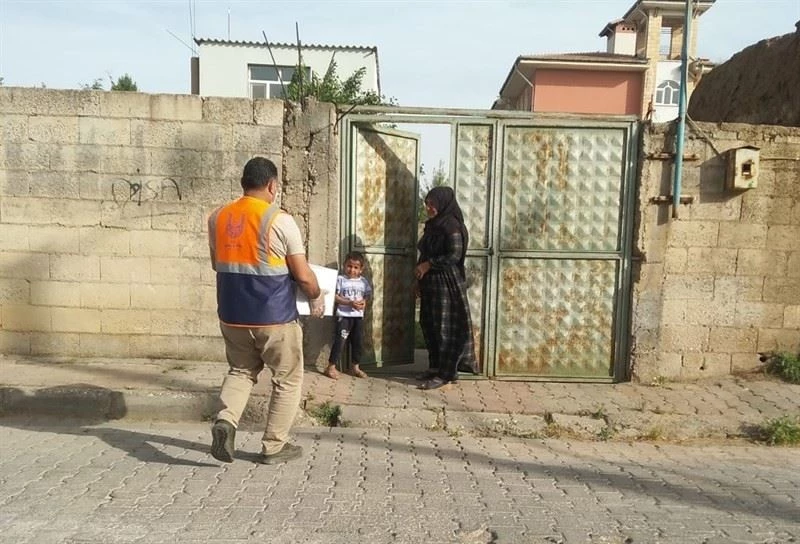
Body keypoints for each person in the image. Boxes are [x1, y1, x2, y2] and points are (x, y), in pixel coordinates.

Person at [207, 156, 324, 465]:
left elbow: (217, 263)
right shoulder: (280, 220)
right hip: (274, 318)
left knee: (241, 370)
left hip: (231, 315)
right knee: (287, 378)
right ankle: (274, 446)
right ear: (272, 185)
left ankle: (226, 420)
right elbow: (303, 275)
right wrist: (316, 295)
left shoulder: (217, 217)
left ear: (243, 183)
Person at [414, 186, 479, 390]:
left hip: (447, 284)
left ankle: (446, 374)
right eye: (427, 203)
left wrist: (429, 265)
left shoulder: (451, 225)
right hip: (431, 283)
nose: (429, 208)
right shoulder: (433, 225)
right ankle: (435, 367)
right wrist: (419, 281)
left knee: (445, 328)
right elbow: (424, 253)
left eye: (432, 204)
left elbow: (454, 255)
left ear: (443, 203)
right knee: (429, 324)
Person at [324, 251, 372, 380]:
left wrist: (364, 302)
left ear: (361, 269)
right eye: (349, 266)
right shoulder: (341, 280)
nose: (352, 270)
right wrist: (349, 303)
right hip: (344, 316)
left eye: (356, 267)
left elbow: (367, 296)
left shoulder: (363, 282)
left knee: (358, 342)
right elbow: (335, 297)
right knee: (340, 341)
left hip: (358, 317)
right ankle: (331, 366)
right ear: (344, 266)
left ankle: (355, 367)